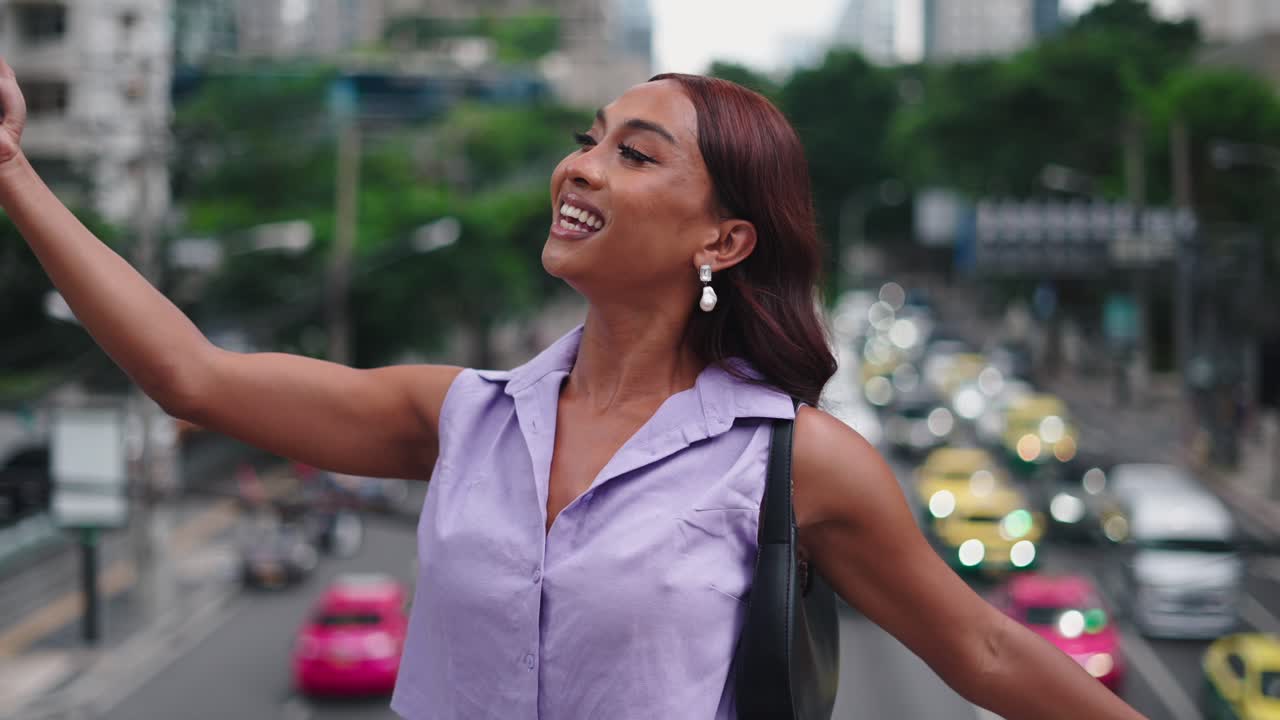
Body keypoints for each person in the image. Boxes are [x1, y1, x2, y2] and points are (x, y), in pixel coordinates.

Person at [0, 59, 1146, 720]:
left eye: (634, 156)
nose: (579, 168)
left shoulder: (790, 459)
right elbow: (190, 378)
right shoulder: (458, 416)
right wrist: (11, 170)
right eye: (587, 139)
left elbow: (984, 653)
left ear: (723, 240)